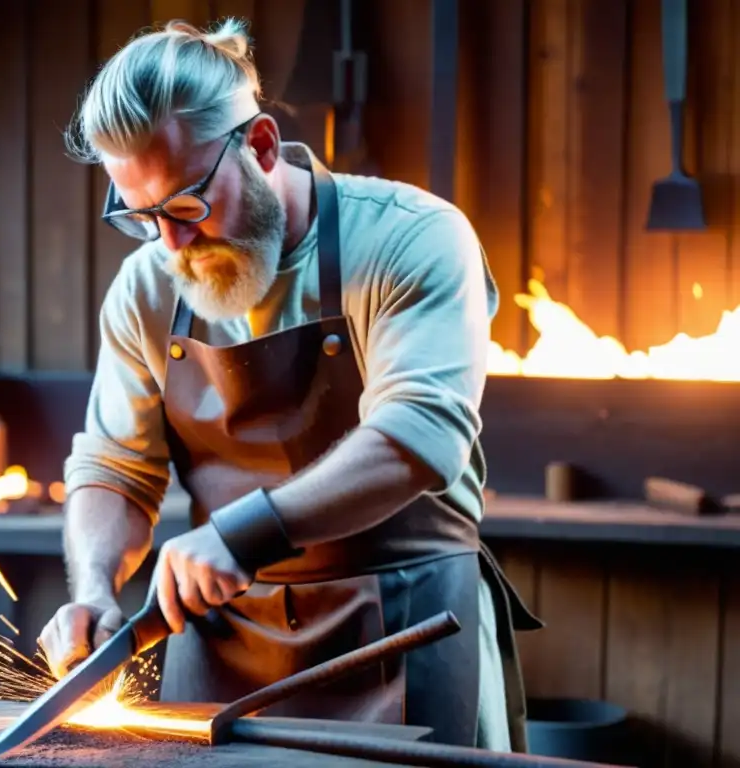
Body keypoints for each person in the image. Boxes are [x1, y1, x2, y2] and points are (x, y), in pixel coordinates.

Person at [38, 18, 542, 752]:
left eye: (186, 206)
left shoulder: (410, 239)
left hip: (405, 621)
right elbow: (116, 468)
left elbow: (419, 436)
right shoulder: (148, 285)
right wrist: (92, 589)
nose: (172, 244)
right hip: (221, 641)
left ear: (263, 146)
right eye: (143, 218)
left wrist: (240, 536)